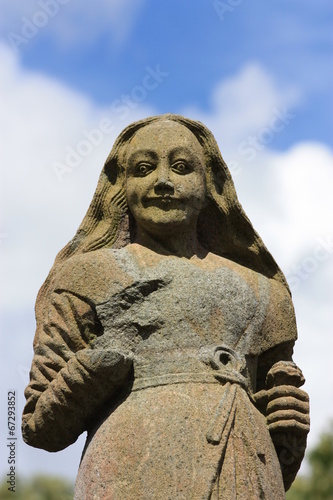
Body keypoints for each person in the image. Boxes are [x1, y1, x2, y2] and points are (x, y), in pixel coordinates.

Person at [22, 115, 309, 499]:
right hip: (128, 472)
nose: (162, 181)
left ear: (210, 184)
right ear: (121, 186)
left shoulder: (263, 293)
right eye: (143, 169)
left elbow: (279, 451)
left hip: (241, 472)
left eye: (181, 167)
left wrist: (289, 428)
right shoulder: (85, 278)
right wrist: (95, 370)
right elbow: (41, 427)